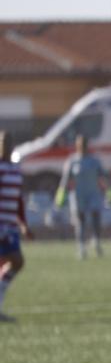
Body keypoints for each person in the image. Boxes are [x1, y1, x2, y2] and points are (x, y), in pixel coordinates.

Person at [56, 135, 111, 259]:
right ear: (77, 146)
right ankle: (81, 247)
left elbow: (104, 176)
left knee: (96, 216)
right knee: (80, 221)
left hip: (93, 193)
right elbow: (65, 179)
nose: (82, 147)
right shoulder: (72, 161)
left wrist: (110, 190)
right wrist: (61, 193)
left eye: (84, 144)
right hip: (78, 195)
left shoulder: (94, 161)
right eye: (79, 144)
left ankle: (96, 241)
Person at [0, 131, 33, 322]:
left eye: (9, 142)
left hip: (10, 225)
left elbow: (18, 200)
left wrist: (23, 224)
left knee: (15, 262)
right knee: (15, 259)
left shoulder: (14, 169)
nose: (6, 145)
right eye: (3, 142)